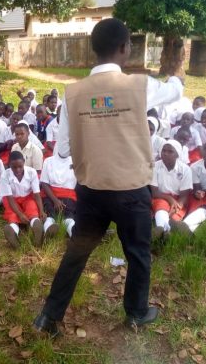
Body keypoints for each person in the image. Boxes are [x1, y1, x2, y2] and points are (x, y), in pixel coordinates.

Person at [33, 18, 184, 336]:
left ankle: (48, 317)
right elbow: (175, 90)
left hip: (91, 191)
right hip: (131, 191)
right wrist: (177, 72)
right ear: (125, 48)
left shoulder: (72, 93)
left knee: (77, 253)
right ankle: (136, 313)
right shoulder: (141, 85)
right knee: (138, 254)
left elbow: (61, 150)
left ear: (94, 49)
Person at [0, 151, 46, 249]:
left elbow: (36, 194)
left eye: (20, 166)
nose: (17, 170)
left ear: (24, 162)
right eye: (14, 167)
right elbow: (10, 198)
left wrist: (41, 210)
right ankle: (12, 231)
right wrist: (20, 214)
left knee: (32, 207)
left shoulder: (32, 172)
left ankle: (36, 225)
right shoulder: (5, 175)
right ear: (9, 165)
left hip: (28, 197)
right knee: (12, 214)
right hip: (12, 200)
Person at [150, 140, 192, 239]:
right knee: (161, 205)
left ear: (177, 154)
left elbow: (184, 196)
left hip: (178, 200)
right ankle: (165, 231)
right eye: (163, 150)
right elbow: (155, 192)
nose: (165, 153)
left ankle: (163, 232)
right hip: (160, 196)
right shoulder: (155, 166)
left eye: (170, 151)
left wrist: (178, 206)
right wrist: (170, 199)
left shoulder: (185, 169)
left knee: (175, 215)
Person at [40, 152, 77, 239]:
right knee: (50, 213)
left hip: (69, 195)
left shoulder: (76, 161)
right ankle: (48, 231)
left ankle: (74, 235)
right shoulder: (48, 161)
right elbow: (44, 183)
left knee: (69, 216)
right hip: (50, 193)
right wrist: (55, 200)